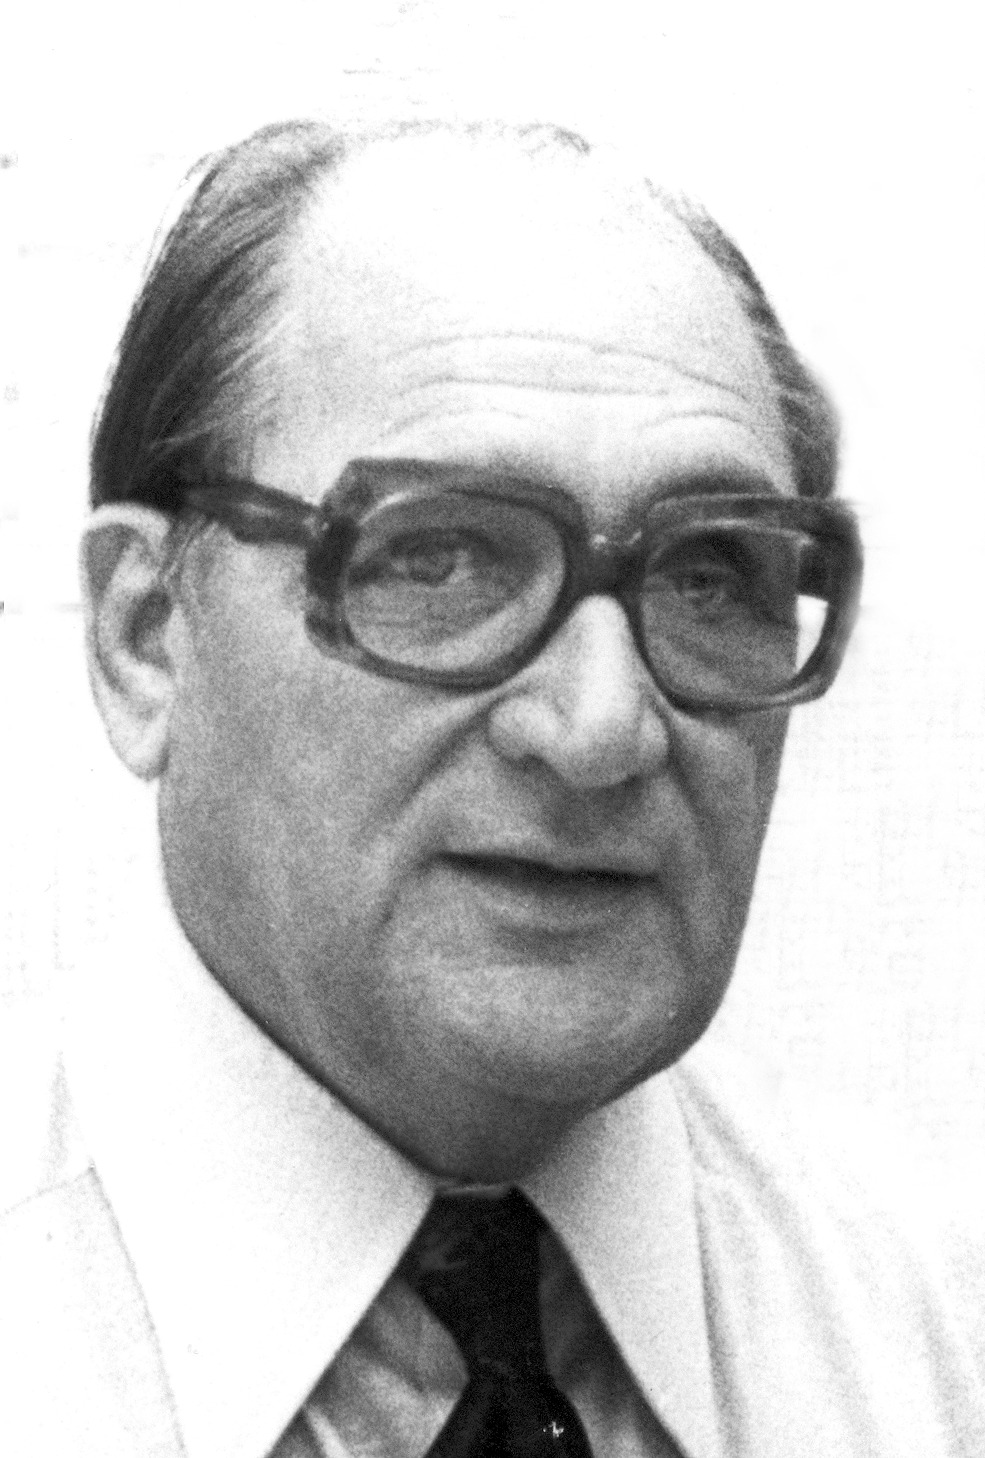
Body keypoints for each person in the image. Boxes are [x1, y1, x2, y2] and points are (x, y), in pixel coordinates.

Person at [1, 117, 981, 1458]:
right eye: (439, 557)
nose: (601, 724)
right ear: (148, 637)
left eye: (709, 576)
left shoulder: (934, 1335)